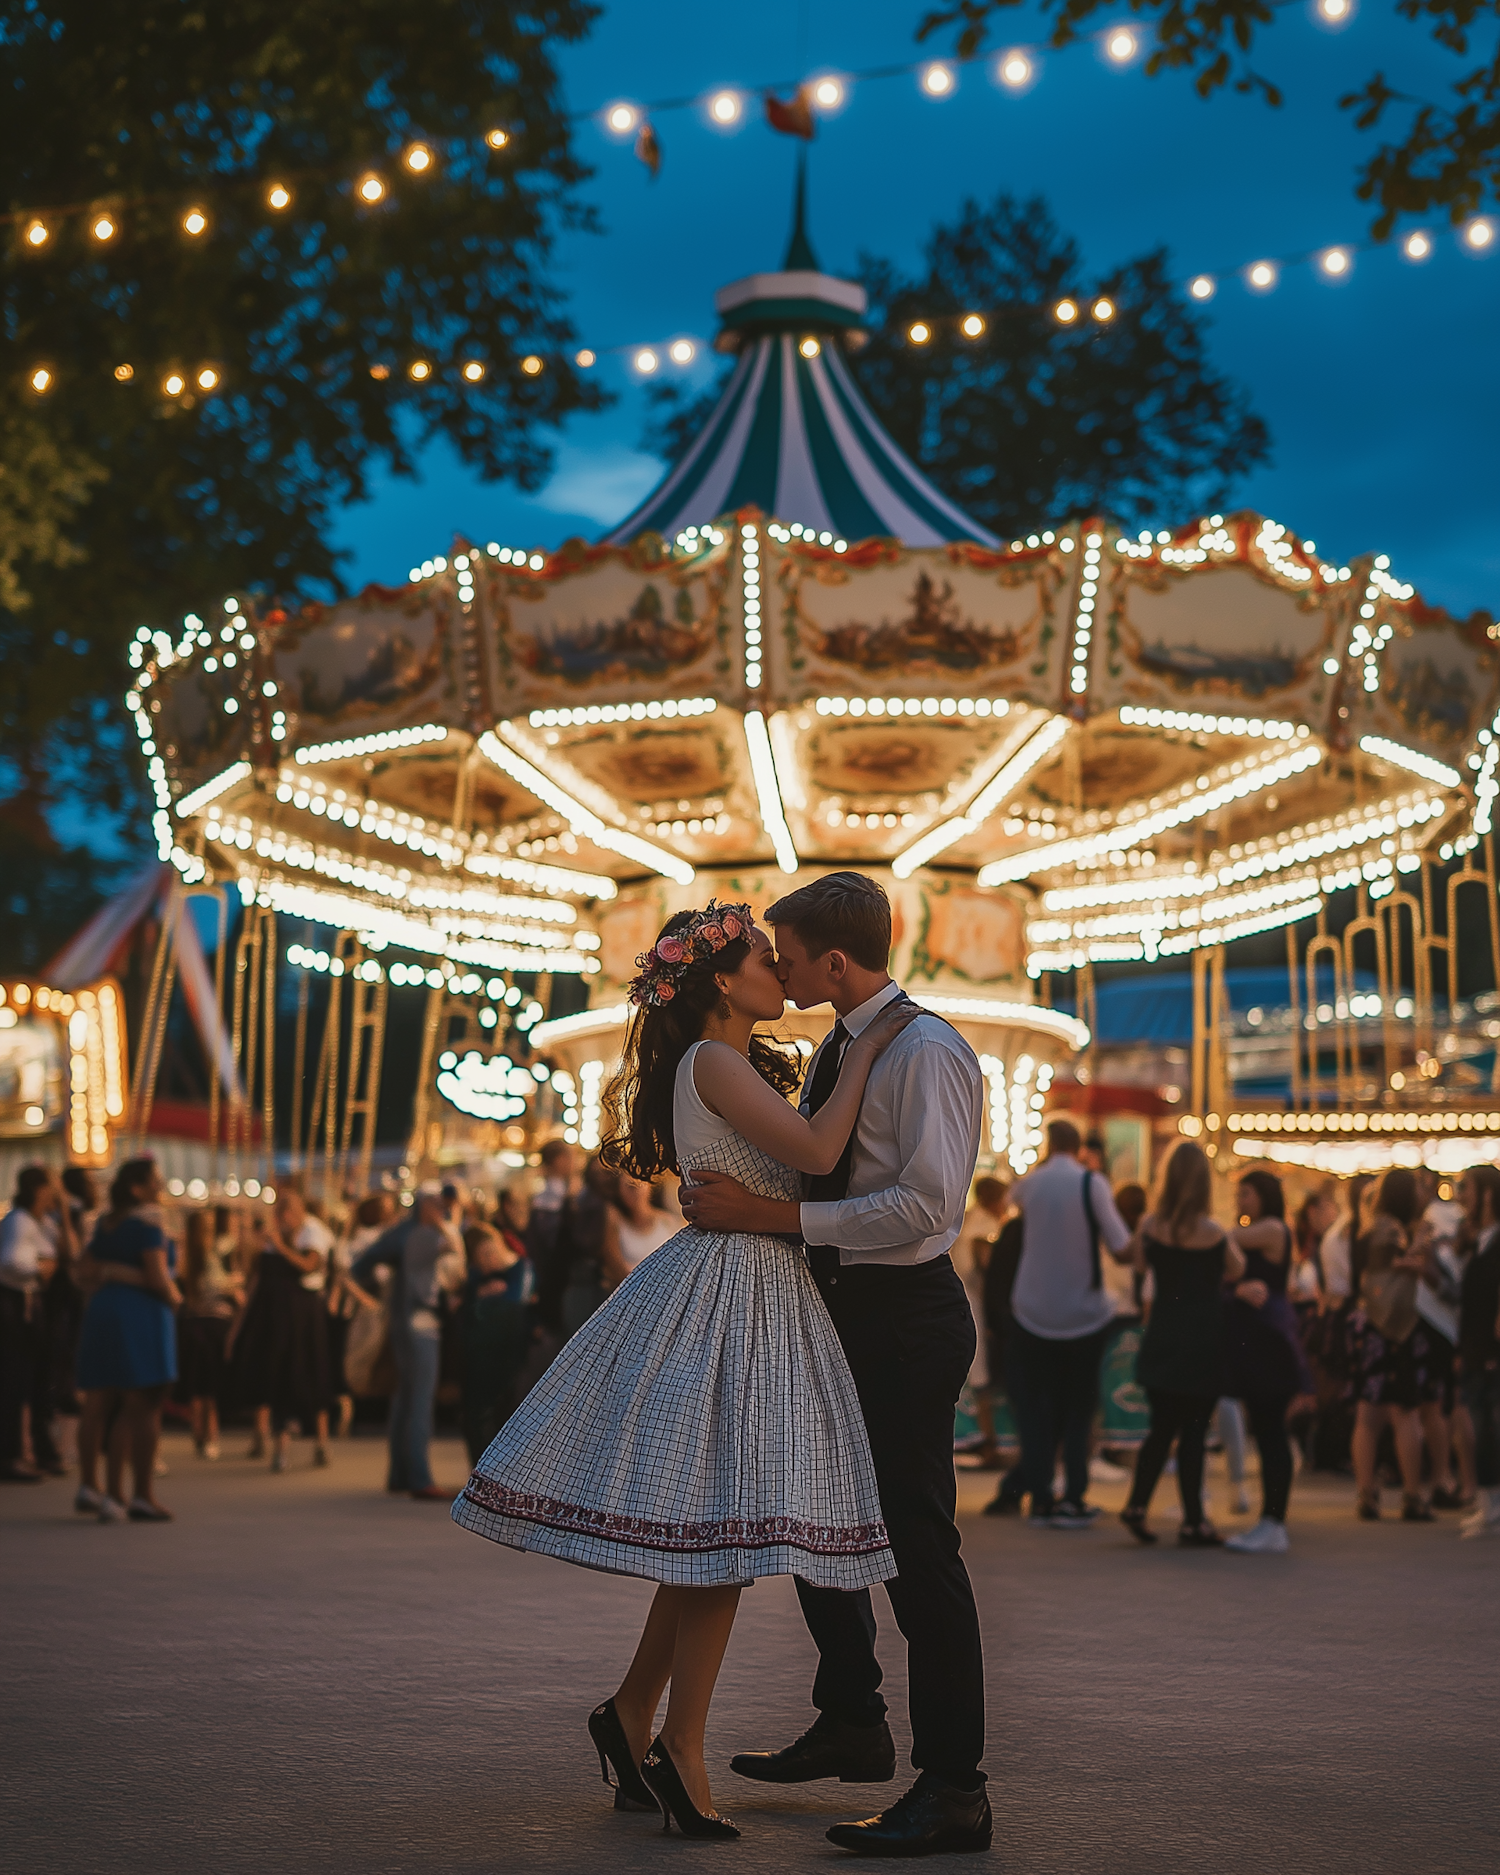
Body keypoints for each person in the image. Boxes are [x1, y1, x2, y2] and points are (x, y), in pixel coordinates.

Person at [455, 896, 907, 1844]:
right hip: (740, 1286)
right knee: (723, 1537)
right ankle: (681, 1747)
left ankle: (634, 1714)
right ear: (716, 980)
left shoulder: (726, 1061)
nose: (778, 971)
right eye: (759, 958)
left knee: (716, 1533)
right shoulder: (713, 1060)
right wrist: (870, 1036)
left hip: (753, 1284)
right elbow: (821, 1149)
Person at [679, 874, 994, 1857]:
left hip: (904, 1312)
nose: (775, 966)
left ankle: (954, 1786)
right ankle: (854, 1715)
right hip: (849, 1309)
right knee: (817, 1519)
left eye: (784, 953)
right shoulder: (848, 1043)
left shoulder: (925, 1050)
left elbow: (924, 1210)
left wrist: (768, 1216)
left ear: (834, 963)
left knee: (917, 1548)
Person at [1003, 1119, 1132, 1529]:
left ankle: (1041, 1496)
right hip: (1083, 1312)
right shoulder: (1092, 1184)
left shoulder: (1031, 1184)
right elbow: (1120, 1245)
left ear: (1048, 1143)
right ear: (1078, 1147)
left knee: (1039, 1408)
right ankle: (1074, 1496)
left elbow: (1011, 1199)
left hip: (1033, 1309)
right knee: (1079, 1409)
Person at [1120, 1143, 1246, 1546]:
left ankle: (1137, 1504)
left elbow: (1139, 1265)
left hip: (1163, 1335)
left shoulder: (1150, 1227)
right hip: (1203, 1341)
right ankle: (1194, 1521)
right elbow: (1237, 1269)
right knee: (1194, 1431)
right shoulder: (1214, 1233)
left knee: (1160, 1428)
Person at [74, 1158, 180, 1521]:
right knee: (142, 1404)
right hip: (141, 1314)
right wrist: (174, 1296)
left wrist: (111, 1272)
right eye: (155, 1179)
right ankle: (137, 1493)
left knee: (100, 1400)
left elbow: (83, 1269)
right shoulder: (149, 1221)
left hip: (103, 1310)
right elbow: (156, 1276)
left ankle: (94, 1485)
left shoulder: (105, 1223)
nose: (161, 1185)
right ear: (138, 1187)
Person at [353, 1186, 465, 1499]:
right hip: (421, 1324)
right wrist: (449, 1219)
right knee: (420, 1399)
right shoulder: (424, 1236)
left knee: (405, 1396)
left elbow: (363, 1263)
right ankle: (419, 1476)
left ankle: (400, 1473)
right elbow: (456, 1251)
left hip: (404, 1320)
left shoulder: (402, 1233)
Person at [1222, 1169, 1312, 1553]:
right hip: (1259, 1340)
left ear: (1263, 1195)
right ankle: (1270, 1519)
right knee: (1267, 1430)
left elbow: (1217, 1240)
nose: (1239, 1202)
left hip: (1269, 1341)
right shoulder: (1265, 1229)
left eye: (1245, 1194)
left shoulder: (1272, 1228)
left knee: (1271, 1431)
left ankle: (1273, 1521)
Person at [1348, 1168, 1441, 1523]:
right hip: (1399, 1327)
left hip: (1371, 1324)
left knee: (1368, 1413)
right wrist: (1418, 1250)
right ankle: (1412, 1493)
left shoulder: (1367, 1226)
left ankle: (1366, 1492)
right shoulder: (1394, 1230)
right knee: (1405, 1412)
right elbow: (1394, 1262)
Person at [0, 1165, 73, 1481]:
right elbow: (10, 1260)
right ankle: (13, 1454)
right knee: (16, 1380)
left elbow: (70, 1250)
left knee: (33, 1379)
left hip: (30, 1304)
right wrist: (38, 1268)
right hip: (17, 1304)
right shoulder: (21, 1221)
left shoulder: (41, 1222)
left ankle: (31, 1451)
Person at [1412, 1169, 1472, 1510]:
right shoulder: (1432, 1225)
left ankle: (1449, 1478)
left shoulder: (1443, 1223)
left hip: (1443, 1326)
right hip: (1435, 1325)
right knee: (1438, 1404)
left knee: (1443, 1404)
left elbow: (1452, 1287)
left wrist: (1427, 1264)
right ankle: (1446, 1477)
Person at [458, 1222, 534, 1464]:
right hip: (480, 1355)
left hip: (510, 1353)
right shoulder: (476, 1279)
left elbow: (516, 1300)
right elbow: (466, 1308)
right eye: (482, 1256)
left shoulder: (521, 1269)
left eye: (492, 1252)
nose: (490, 1259)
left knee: (506, 1409)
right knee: (478, 1412)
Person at [176, 1207, 243, 1459]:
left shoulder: (190, 1255)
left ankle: (200, 1435)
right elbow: (216, 1285)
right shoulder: (205, 1255)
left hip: (195, 1324)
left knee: (198, 1386)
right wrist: (233, 1283)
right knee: (209, 1386)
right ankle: (210, 1436)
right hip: (213, 1323)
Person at [1455, 1164, 1500, 1538]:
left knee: (1488, 1424)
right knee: (1480, 1421)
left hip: (1490, 1347)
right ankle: (1488, 1502)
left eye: (1464, 1186)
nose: (1458, 1193)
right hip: (1475, 1344)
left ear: (1487, 1193)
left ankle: (1491, 1504)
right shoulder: (1476, 1238)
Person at [952, 1176, 1007, 1469]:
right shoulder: (985, 1227)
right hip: (976, 1304)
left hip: (960, 1299)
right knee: (981, 1378)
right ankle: (989, 1443)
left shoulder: (968, 1218)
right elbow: (986, 1266)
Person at [328, 1191, 393, 1435]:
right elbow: (345, 1275)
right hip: (363, 1306)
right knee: (356, 1356)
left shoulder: (375, 1239)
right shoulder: (363, 1241)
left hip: (373, 1303)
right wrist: (366, 1300)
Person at [607, 1171, 677, 1272]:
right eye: (630, 1186)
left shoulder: (668, 1221)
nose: (636, 1191)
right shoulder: (616, 1223)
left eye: (641, 1183)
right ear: (619, 1190)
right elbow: (616, 1266)